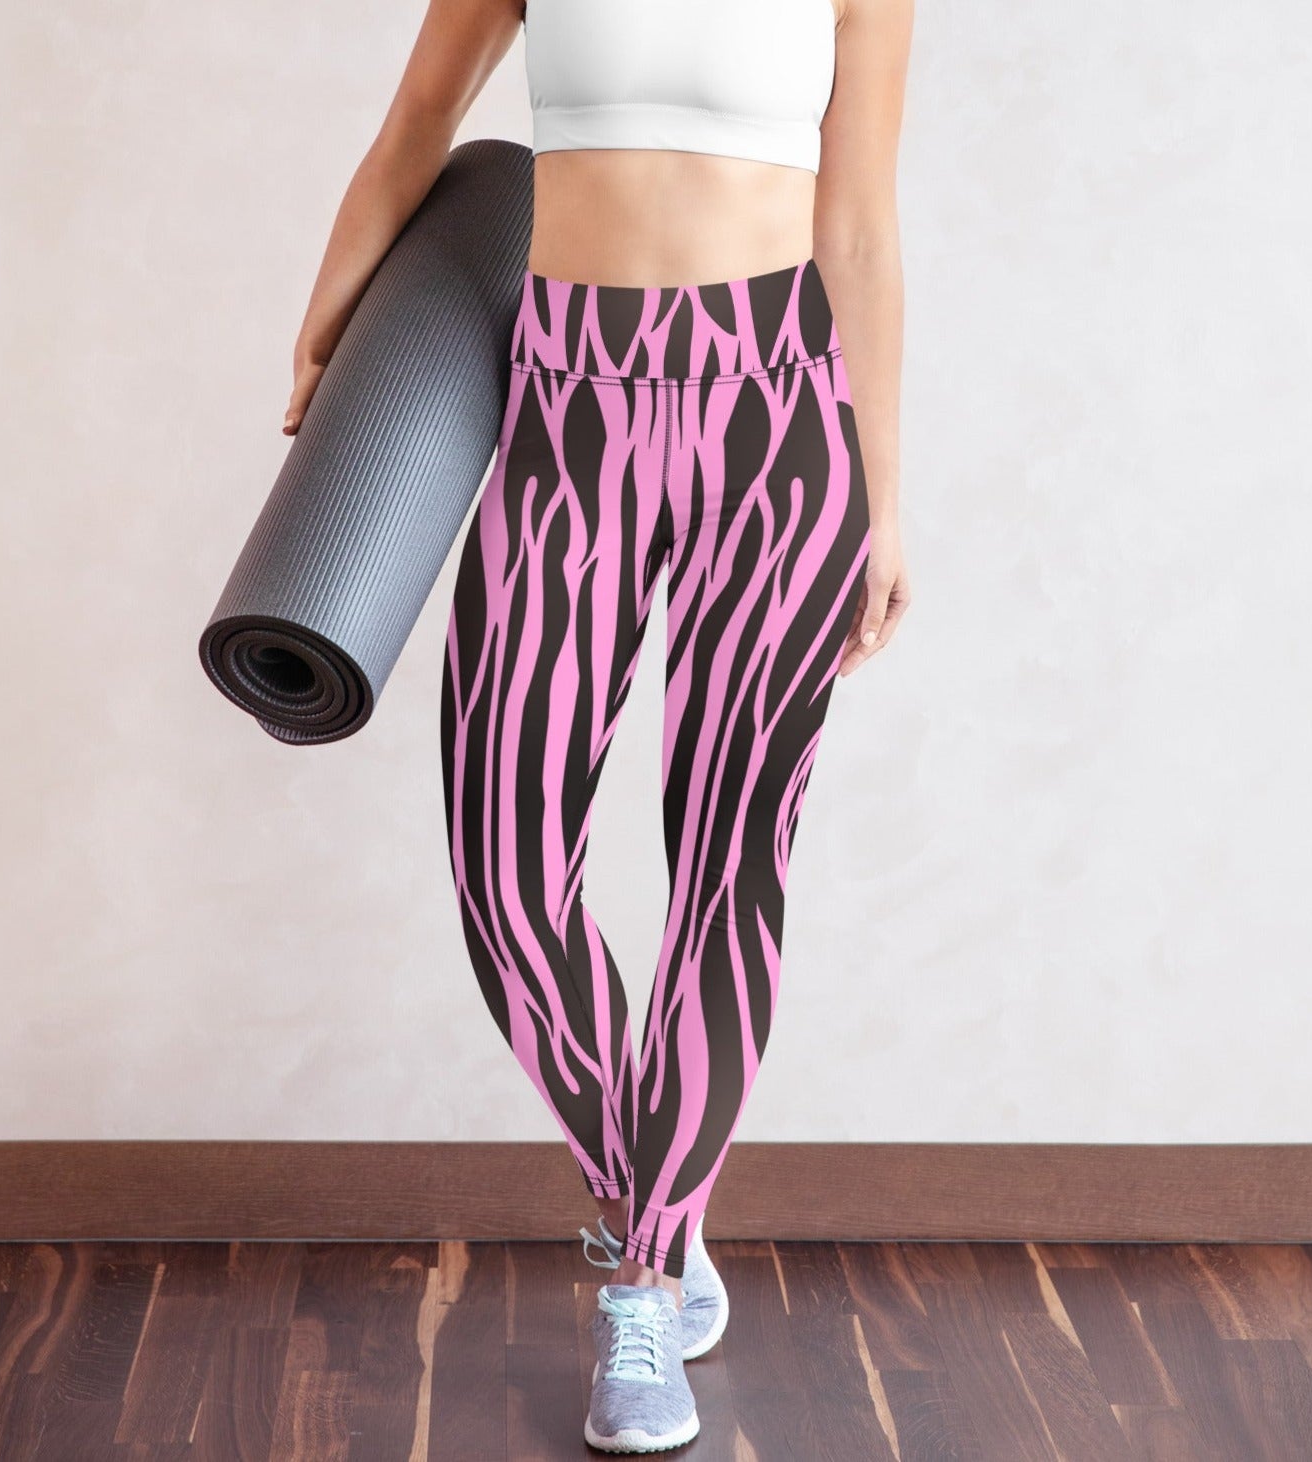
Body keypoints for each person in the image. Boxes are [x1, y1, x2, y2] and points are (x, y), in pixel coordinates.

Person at [285, 0, 912, 1449]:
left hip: (782, 420)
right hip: (566, 412)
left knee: (727, 867)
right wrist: (323, 339)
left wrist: (885, 503)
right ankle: (659, 1207)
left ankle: (644, 1282)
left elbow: (862, 229)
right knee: (504, 864)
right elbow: (414, 132)